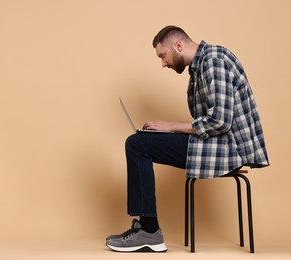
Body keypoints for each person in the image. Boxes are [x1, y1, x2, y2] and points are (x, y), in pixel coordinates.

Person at [106, 25, 269, 253]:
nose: (163, 64)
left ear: (178, 45)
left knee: (136, 145)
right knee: (140, 141)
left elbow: (220, 121)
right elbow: (206, 121)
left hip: (229, 148)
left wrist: (171, 126)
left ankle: (149, 232)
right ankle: (148, 230)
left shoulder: (214, 60)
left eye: (163, 56)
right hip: (215, 143)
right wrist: (168, 132)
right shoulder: (198, 69)